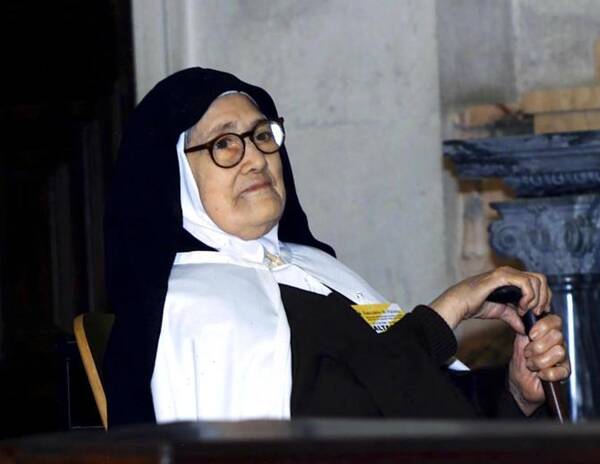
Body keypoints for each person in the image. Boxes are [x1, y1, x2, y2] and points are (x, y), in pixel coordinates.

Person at [103, 67, 569, 427]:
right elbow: (337, 419)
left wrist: (514, 393)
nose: (256, 158)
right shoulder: (188, 307)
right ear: (173, 176)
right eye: (225, 144)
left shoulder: (322, 271)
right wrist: (446, 313)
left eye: (262, 135)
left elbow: (413, 387)